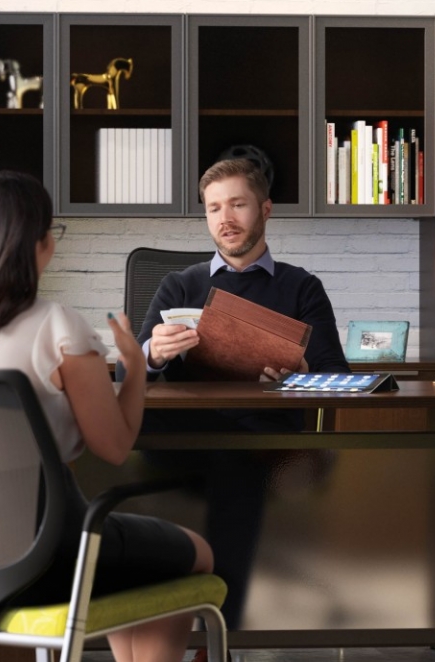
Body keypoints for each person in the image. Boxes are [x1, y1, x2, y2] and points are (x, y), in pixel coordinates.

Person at [0, 171, 212, 662]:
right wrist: (132, 368)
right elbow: (114, 445)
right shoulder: (55, 328)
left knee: (129, 558)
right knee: (195, 554)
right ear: (37, 243)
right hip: (40, 561)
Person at [135, 157, 350, 628]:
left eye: (237, 204)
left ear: (266, 209)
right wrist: (154, 351)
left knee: (237, 463)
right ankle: (146, 619)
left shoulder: (301, 288)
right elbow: (131, 372)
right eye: (213, 208)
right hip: (185, 439)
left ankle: (217, 630)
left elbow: (336, 374)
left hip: (263, 439)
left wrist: (298, 372)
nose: (225, 219)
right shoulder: (179, 285)